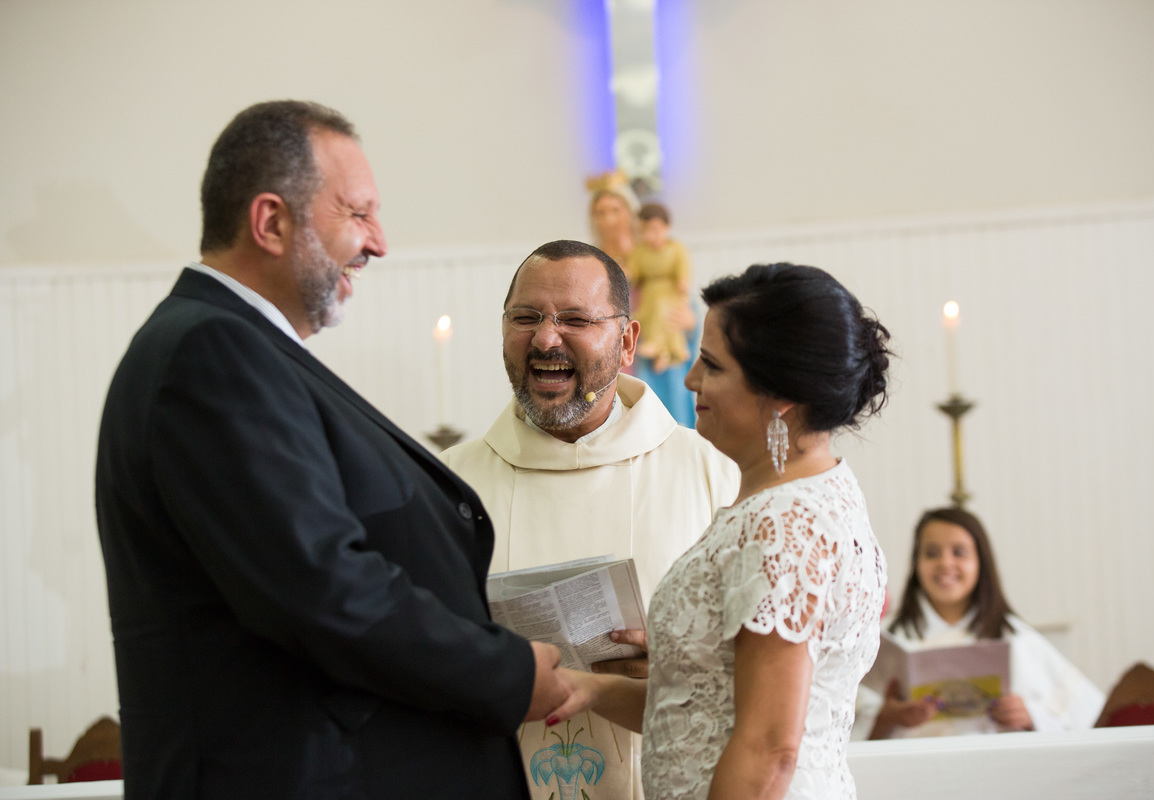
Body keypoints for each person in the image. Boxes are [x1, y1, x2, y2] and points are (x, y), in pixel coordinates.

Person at [94, 100, 567, 800]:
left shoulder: (237, 348)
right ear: (270, 223)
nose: (379, 242)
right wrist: (507, 674)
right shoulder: (213, 353)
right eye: (359, 213)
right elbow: (321, 586)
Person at [548, 263, 893, 800]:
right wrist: (591, 690)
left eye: (710, 364)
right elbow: (710, 711)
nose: (689, 380)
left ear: (779, 391)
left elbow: (768, 750)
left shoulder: (784, 523)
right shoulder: (815, 492)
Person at [440, 239, 739, 800]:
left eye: (575, 319)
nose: (545, 338)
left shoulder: (714, 473)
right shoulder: (450, 484)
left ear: (627, 342)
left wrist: (680, 660)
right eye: (525, 318)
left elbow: (769, 668)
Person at [858, 507, 1105, 739]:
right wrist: (886, 718)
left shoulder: (1014, 636)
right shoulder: (884, 640)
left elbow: (1084, 717)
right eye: (931, 553)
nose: (945, 563)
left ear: (981, 562)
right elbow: (849, 728)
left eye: (959, 552)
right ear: (916, 563)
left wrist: (1030, 715)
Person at [627, 203, 691, 374]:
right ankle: (662, 353)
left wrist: (683, 280)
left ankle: (672, 348)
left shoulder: (675, 248)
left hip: (670, 291)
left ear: (666, 227)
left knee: (666, 314)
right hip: (649, 292)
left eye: (654, 230)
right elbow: (634, 271)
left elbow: (683, 266)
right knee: (649, 315)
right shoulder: (640, 251)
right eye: (645, 231)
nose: (649, 236)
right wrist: (628, 273)